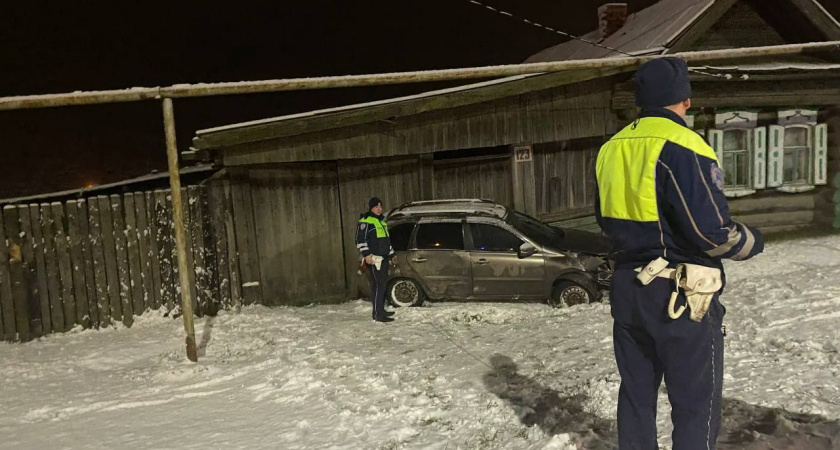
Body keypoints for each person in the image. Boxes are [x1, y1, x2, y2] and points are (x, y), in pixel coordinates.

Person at [594, 57, 764, 449]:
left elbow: (604, 220)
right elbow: (711, 234)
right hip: (680, 295)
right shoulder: (685, 145)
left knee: (636, 395)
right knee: (694, 402)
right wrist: (752, 241)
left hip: (628, 288)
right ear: (685, 99)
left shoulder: (609, 148)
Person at [356, 197, 397, 323]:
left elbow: (386, 242)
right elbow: (359, 240)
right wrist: (367, 255)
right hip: (374, 260)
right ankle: (377, 314)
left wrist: (392, 255)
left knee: (382, 285)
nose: (379, 209)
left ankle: (381, 310)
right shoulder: (365, 222)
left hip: (384, 259)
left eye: (380, 206)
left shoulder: (382, 222)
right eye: (376, 206)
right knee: (379, 286)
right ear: (371, 208)